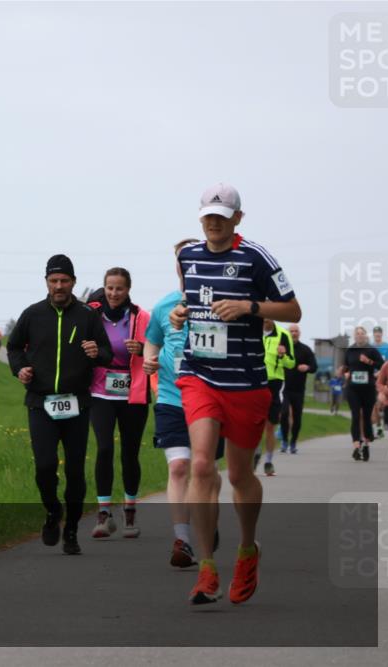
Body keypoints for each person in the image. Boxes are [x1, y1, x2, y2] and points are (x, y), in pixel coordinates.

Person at [170, 183, 302, 605]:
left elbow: (294, 310)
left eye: (222, 216)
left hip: (245, 383)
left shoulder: (256, 257)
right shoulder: (187, 256)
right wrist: (179, 312)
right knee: (203, 464)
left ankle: (247, 550)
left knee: (240, 476)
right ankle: (207, 567)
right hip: (199, 374)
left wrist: (250, 307)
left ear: (238, 219)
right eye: (208, 215)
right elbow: (190, 303)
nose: (213, 222)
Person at [7, 254, 112, 556]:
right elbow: (14, 347)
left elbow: (106, 352)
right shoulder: (32, 314)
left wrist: (96, 351)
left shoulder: (87, 316)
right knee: (44, 466)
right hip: (41, 402)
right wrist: (20, 368)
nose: (59, 286)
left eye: (64, 281)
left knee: (76, 471)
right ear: (46, 283)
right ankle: (53, 511)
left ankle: (71, 530)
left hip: (77, 403)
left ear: (73, 283)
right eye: (54, 281)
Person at [143, 238, 224, 567]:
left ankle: (209, 522)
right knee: (178, 467)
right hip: (171, 397)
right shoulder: (164, 305)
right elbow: (152, 343)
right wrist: (149, 361)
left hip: (211, 400)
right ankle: (183, 539)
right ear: (178, 266)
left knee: (205, 472)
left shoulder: (221, 303)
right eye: (183, 260)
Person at [85, 270, 151, 539]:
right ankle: (103, 513)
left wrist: (143, 348)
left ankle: (130, 509)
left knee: (130, 452)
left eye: (119, 289)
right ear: (104, 288)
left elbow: (156, 348)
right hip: (101, 391)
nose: (114, 293)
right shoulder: (92, 316)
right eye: (110, 288)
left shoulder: (141, 317)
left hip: (133, 392)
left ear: (128, 290)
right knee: (103, 449)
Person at [256, 319, 295, 475]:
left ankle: (268, 461)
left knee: (270, 425)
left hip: (275, 384)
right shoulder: (253, 330)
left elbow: (291, 363)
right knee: (254, 423)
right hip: (255, 381)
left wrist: (283, 355)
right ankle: (256, 453)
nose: (266, 318)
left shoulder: (283, 335)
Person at [342, 326, 385, 462]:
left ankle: (366, 444)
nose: (360, 336)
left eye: (362, 334)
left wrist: (369, 362)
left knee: (366, 417)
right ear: (354, 336)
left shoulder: (371, 350)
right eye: (357, 334)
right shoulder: (350, 350)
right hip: (353, 388)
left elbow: (382, 366)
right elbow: (346, 366)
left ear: (366, 336)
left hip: (368, 389)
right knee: (355, 416)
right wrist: (346, 373)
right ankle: (356, 446)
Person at [279, 324, 317, 454]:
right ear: (287, 334)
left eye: (296, 331)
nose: (294, 333)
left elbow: (314, 366)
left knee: (297, 417)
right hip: (284, 388)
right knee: (284, 414)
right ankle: (284, 441)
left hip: (298, 389)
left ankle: (293, 441)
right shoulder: (282, 348)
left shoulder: (305, 349)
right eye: (291, 331)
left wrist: (307, 367)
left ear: (299, 334)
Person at [372, 326, 388, 438]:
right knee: (374, 403)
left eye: (379, 333)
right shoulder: (370, 347)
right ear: (373, 334)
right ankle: (379, 426)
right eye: (376, 333)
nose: (377, 335)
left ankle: (386, 420)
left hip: (385, 378)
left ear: (382, 334)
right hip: (373, 378)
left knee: (382, 402)